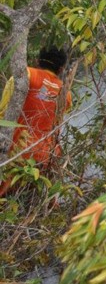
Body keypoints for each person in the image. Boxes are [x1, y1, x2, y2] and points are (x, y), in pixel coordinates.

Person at [0, 46, 72, 196]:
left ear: (37, 60)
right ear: (60, 69)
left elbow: (2, 113)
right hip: (44, 160)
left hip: (16, 151)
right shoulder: (66, 93)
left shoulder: (26, 75)